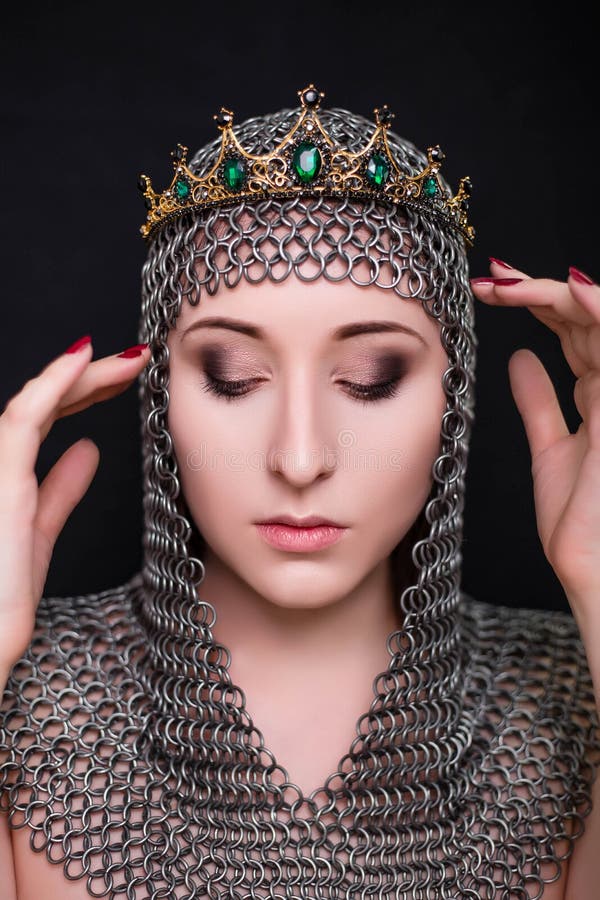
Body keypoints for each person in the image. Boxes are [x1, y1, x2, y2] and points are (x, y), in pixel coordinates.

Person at [0, 83, 598, 899]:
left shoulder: (569, 703)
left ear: (454, 404)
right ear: (159, 396)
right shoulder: (28, 704)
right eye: (233, 378)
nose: (302, 456)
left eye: (370, 379)